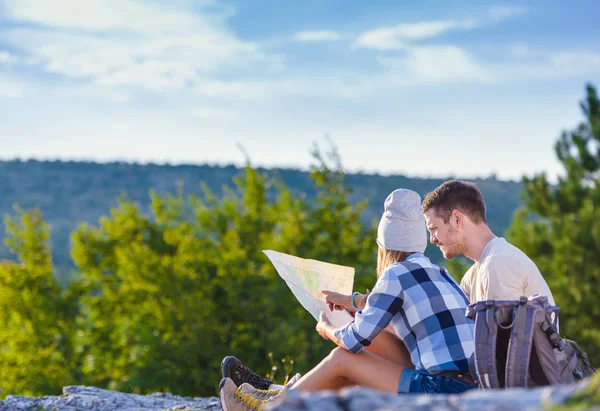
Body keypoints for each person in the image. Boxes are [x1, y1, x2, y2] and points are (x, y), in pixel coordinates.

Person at [219, 189, 476, 411]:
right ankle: (286, 392)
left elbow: (352, 343)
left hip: (442, 391)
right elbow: (390, 315)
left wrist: (328, 328)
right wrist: (352, 303)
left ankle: (272, 406)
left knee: (343, 359)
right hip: (470, 388)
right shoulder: (439, 274)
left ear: (384, 247)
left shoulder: (395, 273)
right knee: (374, 340)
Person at [421, 180, 556, 305]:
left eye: (434, 228)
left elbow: (503, 331)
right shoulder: (473, 276)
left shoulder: (498, 263)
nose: (432, 239)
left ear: (457, 219)